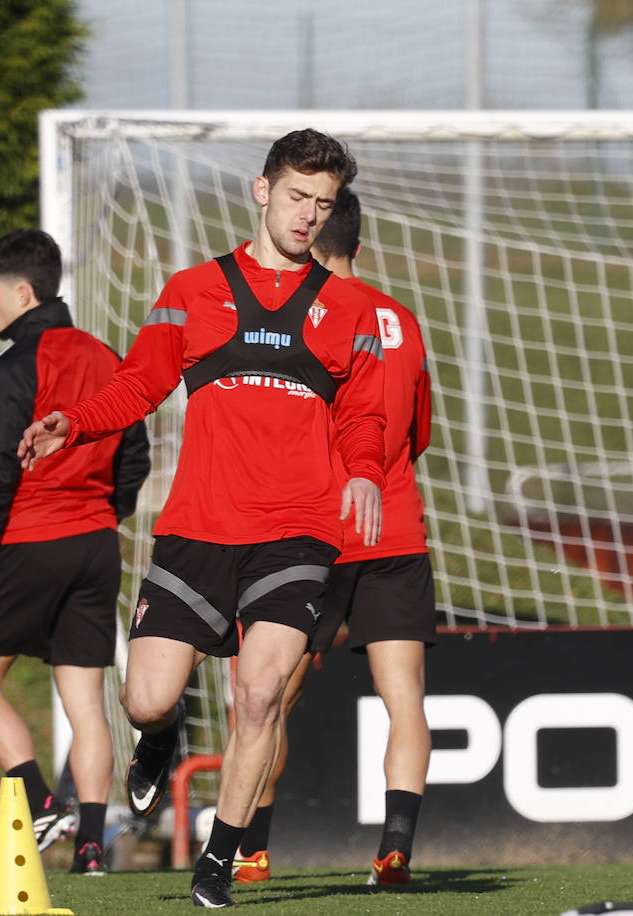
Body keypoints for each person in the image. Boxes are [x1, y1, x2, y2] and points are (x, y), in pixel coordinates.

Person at [18, 128, 385, 909]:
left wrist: (360, 474)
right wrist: (71, 423)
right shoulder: (191, 291)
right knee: (145, 697)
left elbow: (362, 418)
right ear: (261, 190)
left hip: (299, 532)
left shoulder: (351, 307)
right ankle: (160, 735)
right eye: (296, 197)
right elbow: (137, 387)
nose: (308, 216)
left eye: (323, 204)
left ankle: (219, 860)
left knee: (258, 697)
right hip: (198, 530)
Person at [230, 188, 435, 888]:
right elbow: (419, 434)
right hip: (397, 530)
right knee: (403, 696)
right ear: (360, 245)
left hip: (313, 534)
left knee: (266, 696)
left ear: (310, 238)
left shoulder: (300, 314)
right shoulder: (401, 319)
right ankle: (395, 849)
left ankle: (251, 848)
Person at [0, 228, 150, 876]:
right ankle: (91, 848)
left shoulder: (11, 368)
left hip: (30, 538)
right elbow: (135, 456)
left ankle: (39, 802)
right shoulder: (109, 356)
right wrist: (102, 515)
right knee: (85, 703)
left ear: (23, 292)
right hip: (95, 544)